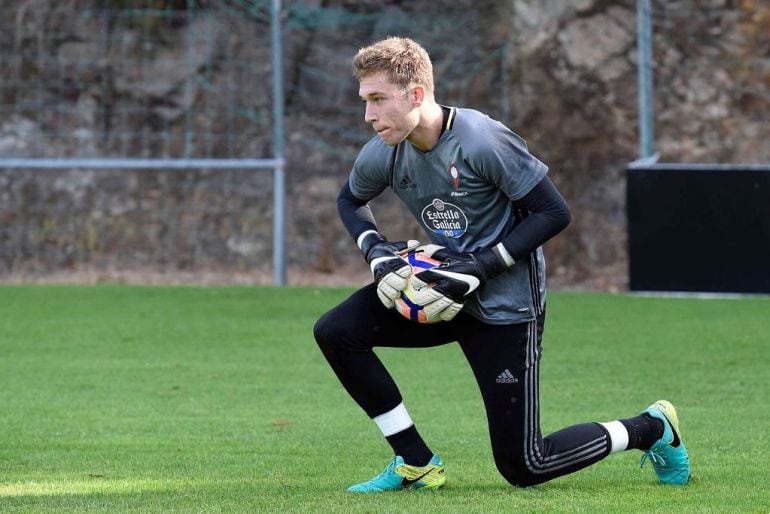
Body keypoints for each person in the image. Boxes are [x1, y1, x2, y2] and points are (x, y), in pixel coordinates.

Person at [313, 36, 690, 492]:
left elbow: (554, 213)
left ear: (415, 95)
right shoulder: (386, 149)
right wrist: (377, 252)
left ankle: (652, 428)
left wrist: (479, 268)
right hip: (441, 294)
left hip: (505, 306)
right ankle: (415, 462)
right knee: (337, 331)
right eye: (365, 101)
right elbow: (351, 200)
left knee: (525, 466)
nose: (368, 115)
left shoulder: (481, 139)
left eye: (378, 100)